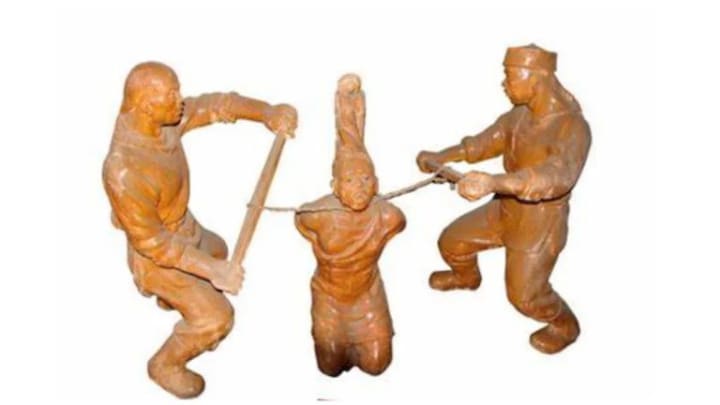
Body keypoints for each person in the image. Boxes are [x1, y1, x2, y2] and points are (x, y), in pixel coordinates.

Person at [102, 62, 297, 397]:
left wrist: (267, 112)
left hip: (183, 228)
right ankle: (166, 363)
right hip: (156, 257)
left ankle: (175, 299)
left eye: (177, 91)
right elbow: (154, 243)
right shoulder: (124, 169)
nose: (179, 100)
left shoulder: (163, 124)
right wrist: (213, 271)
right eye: (170, 94)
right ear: (146, 105)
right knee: (218, 318)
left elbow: (213, 105)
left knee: (218, 250)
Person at [417, 45, 591, 354]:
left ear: (536, 78)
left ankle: (565, 325)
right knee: (451, 243)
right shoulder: (518, 117)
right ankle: (467, 278)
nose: (504, 83)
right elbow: (483, 143)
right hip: (504, 208)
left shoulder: (572, 127)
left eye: (510, 76)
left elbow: (556, 176)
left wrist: (493, 182)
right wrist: (442, 156)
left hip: (540, 224)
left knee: (525, 298)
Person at [295, 74, 406, 376]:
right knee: (330, 367)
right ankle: (335, 342)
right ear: (334, 186)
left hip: (367, 297)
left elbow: (400, 223)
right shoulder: (317, 215)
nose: (359, 187)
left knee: (377, 365)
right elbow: (300, 222)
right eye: (349, 180)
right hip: (329, 297)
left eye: (366, 180)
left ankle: (363, 342)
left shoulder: (387, 217)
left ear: (377, 184)